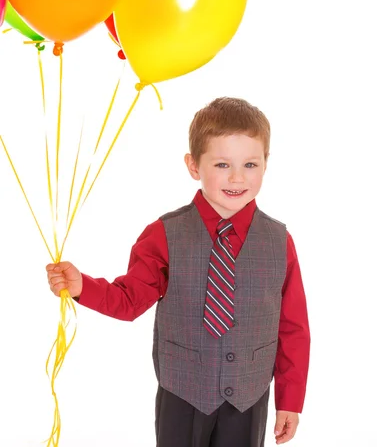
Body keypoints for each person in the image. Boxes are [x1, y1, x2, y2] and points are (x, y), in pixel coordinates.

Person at [46, 97, 310, 447]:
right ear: (193, 166)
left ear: (266, 164)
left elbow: (293, 327)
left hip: (249, 395)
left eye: (249, 164)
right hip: (182, 393)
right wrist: (84, 287)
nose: (236, 177)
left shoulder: (279, 241)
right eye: (221, 164)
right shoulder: (164, 233)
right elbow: (130, 299)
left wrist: (289, 400)